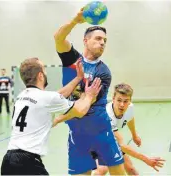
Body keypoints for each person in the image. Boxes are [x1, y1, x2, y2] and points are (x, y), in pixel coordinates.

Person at [0, 57, 102, 175]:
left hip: (8, 161)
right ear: (40, 76)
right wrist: (89, 96)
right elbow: (80, 110)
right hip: (27, 162)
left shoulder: (22, 96)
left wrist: (78, 78)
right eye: (44, 70)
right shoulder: (47, 98)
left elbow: (57, 96)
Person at [54, 8, 125, 175]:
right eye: (98, 38)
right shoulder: (72, 60)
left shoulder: (103, 72)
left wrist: (58, 118)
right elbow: (58, 38)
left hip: (102, 133)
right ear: (85, 41)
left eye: (105, 40)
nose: (102, 43)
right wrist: (75, 21)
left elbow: (84, 105)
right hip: (78, 136)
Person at [93, 83, 166, 175]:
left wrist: (134, 135)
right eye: (119, 100)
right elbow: (121, 145)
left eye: (126, 101)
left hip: (111, 143)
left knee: (131, 170)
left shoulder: (130, 107)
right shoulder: (107, 115)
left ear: (130, 101)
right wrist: (146, 159)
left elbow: (130, 118)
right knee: (101, 170)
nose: (122, 105)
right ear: (113, 99)